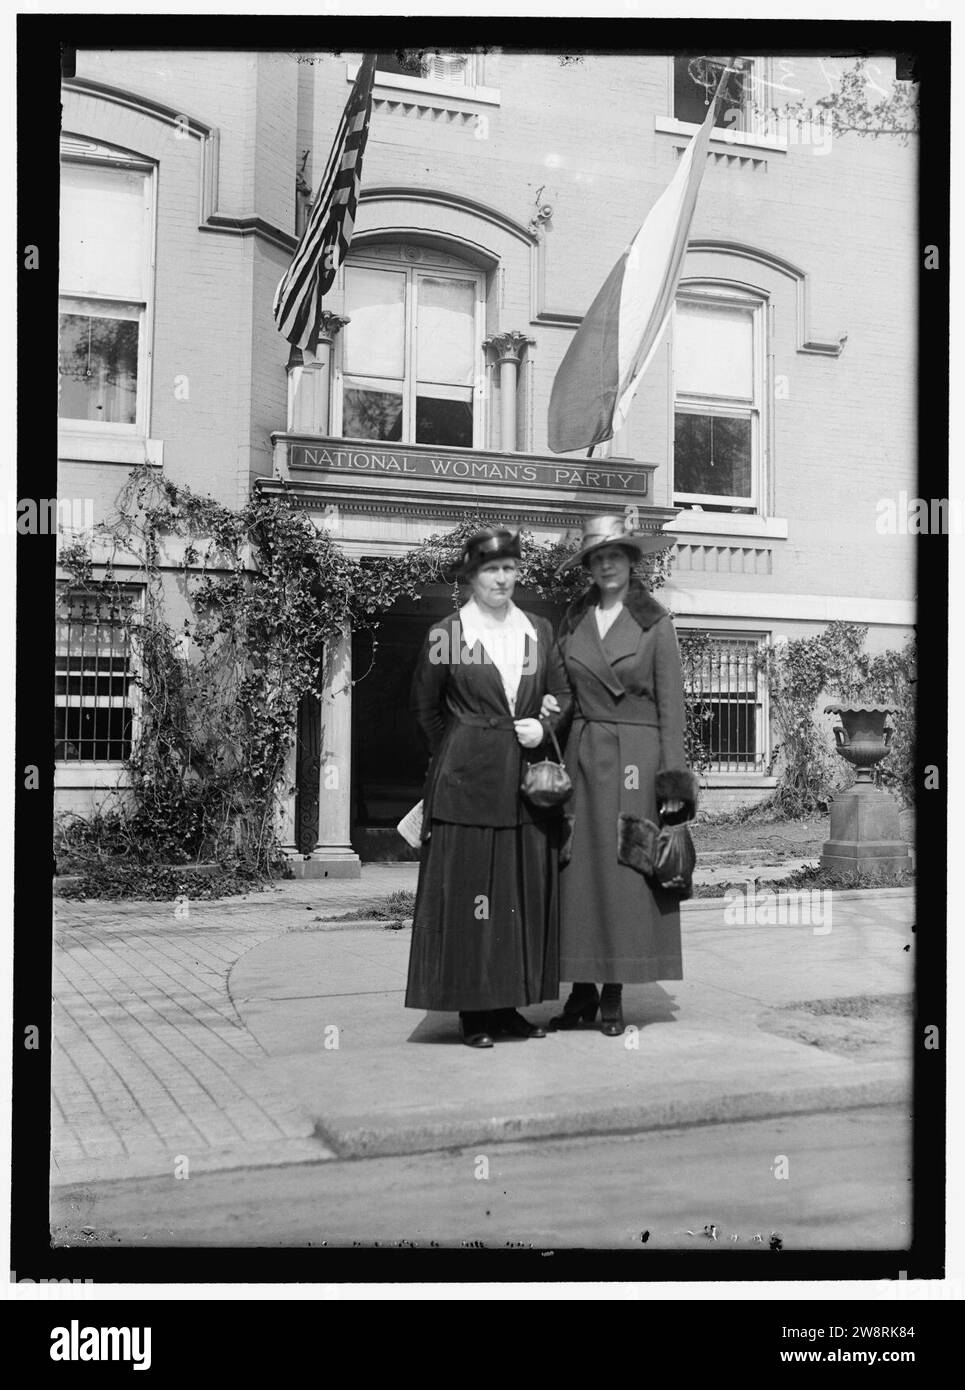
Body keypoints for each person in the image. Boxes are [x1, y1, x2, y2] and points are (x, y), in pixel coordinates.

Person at [405, 527, 571, 1048]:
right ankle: (473, 1013)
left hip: (522, 787)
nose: (503, 579)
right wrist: (462, 747)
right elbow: (424, 710)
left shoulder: (538, 629)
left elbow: (562, 694)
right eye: (491, 570)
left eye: (510, 569)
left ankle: (506, 1007)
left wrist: (544, 727)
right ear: (471, 576)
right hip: (466, 788)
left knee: (515, 895)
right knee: (471, 896)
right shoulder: (447, 634)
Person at [544, 514, 698, 1036]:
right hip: (583, 755)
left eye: (616, 555)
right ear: (587, 566)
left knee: (625, 872)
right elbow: (562, 695)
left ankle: (614, 991)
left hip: (637, 758)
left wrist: (673, 783)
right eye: (596, 557)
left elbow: (672, 709)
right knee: (579, 873)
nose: (606, 564)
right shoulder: (572, 621)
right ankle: (581, 989)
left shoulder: (656, 623)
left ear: (633, 562)